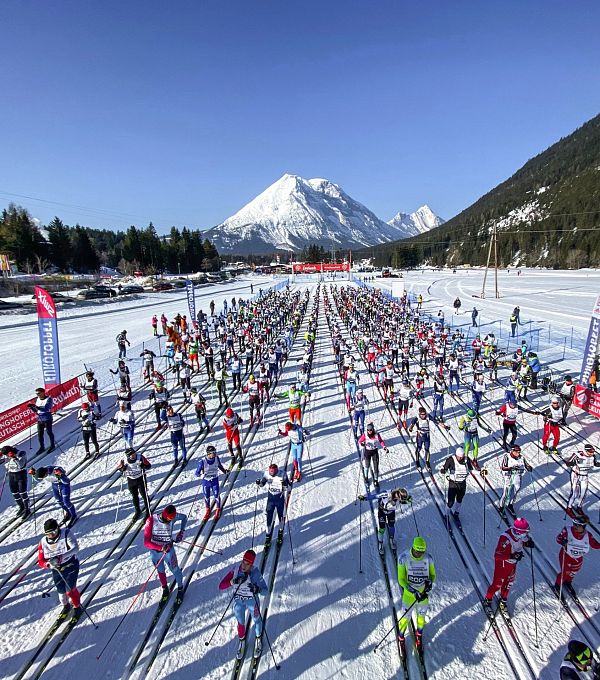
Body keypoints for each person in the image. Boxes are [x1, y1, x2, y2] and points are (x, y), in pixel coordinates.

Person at [218, 550, 268, 660]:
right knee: (240, 622)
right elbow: (221, 586)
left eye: (248, 564)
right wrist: (233, 582)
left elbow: (266, 591)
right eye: (243, 562)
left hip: (252, 601)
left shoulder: (255, 573)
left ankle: (258, 639)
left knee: (257, 620)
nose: (244, 566)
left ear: (252, 564)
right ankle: (242, 641)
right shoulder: (235, 570)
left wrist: (257, 589)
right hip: (238, 602)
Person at [483, 517, 534, 611]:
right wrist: (513, 556)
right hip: (503, 563)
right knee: (497, 584)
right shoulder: (506, 538)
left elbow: (524, 541)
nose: (526, 534)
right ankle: (488, 599)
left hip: (512, 563)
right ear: (519, 532)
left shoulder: (522, 536)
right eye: (525, 532)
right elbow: (497, 555)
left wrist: (528, 544)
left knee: (509, 582)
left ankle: (503, 600)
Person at [397, 536, 436, 648]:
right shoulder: (403, 558)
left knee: (421, 616)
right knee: (405, 617)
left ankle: (419, 634)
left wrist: (429, 585)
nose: (420, 554)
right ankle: (401, 636)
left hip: (423, 595)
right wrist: (413, 591)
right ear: (413, 548)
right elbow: (401, 579)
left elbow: (433, 575)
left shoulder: (428, 558)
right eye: (418, 551)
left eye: (422, 552)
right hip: (409, 595)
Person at [143, 504, 187, 602]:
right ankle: (165, 589)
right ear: (164, 515)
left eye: (173, 519)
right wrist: (161, 547)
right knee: (160, 571)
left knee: (175, 569)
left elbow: (184, 518)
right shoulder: (151, 520)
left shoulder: (173, 517)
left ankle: (180, 588)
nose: (171, 521)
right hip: (155, 552)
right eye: (169, 519)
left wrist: (182, 531)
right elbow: (146, 542)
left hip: (169, 552)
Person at [37, 518, 81, 612]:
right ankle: (66, 606)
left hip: (71, 564)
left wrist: (61, 557)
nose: (51, 535)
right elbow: (40, 561)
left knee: (70, 590)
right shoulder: (43, 542)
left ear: (58, 529)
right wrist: (48, 565)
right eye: (47, 534)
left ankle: (77, 607)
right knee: (61, 592)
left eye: (53, 532)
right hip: (57, 569)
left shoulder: (66, 533)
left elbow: (76, 548)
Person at [554, 516, 600, 597]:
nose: (575, 526)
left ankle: (568, 582)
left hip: (578, 558)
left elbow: (594, 545)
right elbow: (558, 539)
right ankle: (557, 586)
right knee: (565, 572)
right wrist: (562, 541)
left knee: (573, 572)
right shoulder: (567, 530)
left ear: (583, 526)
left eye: (578, 525)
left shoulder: (588, 535)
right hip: (566, 555)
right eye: (574, 524)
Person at [358, 487, 411, 554]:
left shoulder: (400, 496)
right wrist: (365, 498)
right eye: (399, 498)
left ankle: (391, 539)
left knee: (391, 526)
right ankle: (380, 543)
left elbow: (405, 500)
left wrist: (409, 500)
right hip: (382, 512)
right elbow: (375, 496)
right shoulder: (386, 493)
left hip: (391, 512)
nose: (399, 500)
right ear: (398, 494)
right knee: (382, 528)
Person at [256, 463, 291, 546]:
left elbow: (288, 487)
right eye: (270, 472)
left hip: (280, 499)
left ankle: (280, 534)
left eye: (273, 473)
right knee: (269, 517)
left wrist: (284, 485)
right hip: (271, 499)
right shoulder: (266, 474)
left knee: (281, 517)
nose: (271, 474)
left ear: (276, 471)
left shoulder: (283, 474)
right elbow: (262, 484)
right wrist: (259, 483)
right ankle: (268, 537)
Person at [440, 448, 474, 525]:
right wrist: (443, 470)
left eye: (462, 457)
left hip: (462, 484)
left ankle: (456, 514)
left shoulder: (466, 460)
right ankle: (446, 515)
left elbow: (471, 470)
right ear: (456, 455)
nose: (461, 459)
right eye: (459, 457)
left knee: (459, 500)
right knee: (451, 502)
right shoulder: (451, 460)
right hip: (453, 484)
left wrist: (481, 473)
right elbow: (444, 468)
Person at [565, 444, 600, 519]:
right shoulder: (578, 455)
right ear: (586, 450)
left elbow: (595, 464)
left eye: (593, 451)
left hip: (585, 475)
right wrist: (574, 463)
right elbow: (568, 463)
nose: (592, 453)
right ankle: (569, 508)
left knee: (583, 493)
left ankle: (579, 507)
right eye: (590, 452)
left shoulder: (593, 456)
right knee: (575, 493)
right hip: (576, 475)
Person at [195, 445, 227, 521]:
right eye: (213, 452)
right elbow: (196, 473)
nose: (215, 454)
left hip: (214, 480)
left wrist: (225, 471)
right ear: (209, 453)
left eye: (215, 452)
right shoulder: (202, 461)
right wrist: (200, 475)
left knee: (216, 495)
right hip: (206, 482)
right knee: (207, 496)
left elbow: (219, 466)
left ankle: (218, 509)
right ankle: (208, 510)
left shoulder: (216, 458)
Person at [116, 448, 151, 518]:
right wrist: (122, 468)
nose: (134, 456)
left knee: (144, 495)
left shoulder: (140, 457)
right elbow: (119, 468)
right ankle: (137, 510)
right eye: (132, 455)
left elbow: (149, 466)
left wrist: (143, 466)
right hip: (131, 480)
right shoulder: (124, 460)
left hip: (140, 478)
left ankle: (148, 510)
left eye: (134, 454)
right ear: (128, 456)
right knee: (134, 496)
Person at [499, 444, 532, 515]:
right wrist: (511, 468)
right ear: (512, 450)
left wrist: (529, 467)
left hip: (517, 475)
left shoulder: (521, 457)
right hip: (509, 475)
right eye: (516, 452)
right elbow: (503, 467)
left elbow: (526, 465)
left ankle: (510, 505)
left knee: (516, 490)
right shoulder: (507, 456)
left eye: (519, 452)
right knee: (507, 492)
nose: (518, 453)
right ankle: (501, 507)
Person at [0, 445, 31, 518]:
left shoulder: (21, 453)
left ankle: (27, 509)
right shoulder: (6, 455)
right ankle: (21, 506)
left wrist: (14, 458)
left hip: (20, 474)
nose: (6, 457)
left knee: (22, 492)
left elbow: (21, 465)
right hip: (11, 474)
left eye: (7, 455)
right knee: (14, 492)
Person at [357, 422, 388, 488]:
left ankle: (376, 480)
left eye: (370, 430)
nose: (369, 431)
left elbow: (381, 441)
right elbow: (359, 441)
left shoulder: (376, 434)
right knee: (367, 465)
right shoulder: (365, 435)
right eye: (368, 430)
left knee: (376, 466)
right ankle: (366, 477)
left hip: (374, 451)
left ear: (373, 429)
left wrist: (384, 447)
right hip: (367, 451)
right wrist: (362, 444)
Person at [29, 387, 55, 454]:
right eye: (37, 394)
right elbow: (36, 411)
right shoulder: (37, 399)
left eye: (39, 393)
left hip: (47, 418)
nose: (38, 395)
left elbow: (46, 409)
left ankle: (52, 445)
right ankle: (42, 447)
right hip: (40, 419)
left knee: (49, 432)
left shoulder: (49, 399)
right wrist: (32, 407)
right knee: (40, 434)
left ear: (43, 392)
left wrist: (36, 407)